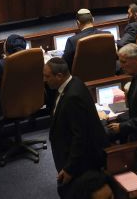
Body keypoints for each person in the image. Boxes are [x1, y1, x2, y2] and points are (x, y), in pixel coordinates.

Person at [43, 58, 108, 198]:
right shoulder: (74, 82)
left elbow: (80, 137)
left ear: (59, 76)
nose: (44, 80)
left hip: (78, 162)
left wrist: (69, 169)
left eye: (47, 76)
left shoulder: (72, 97)